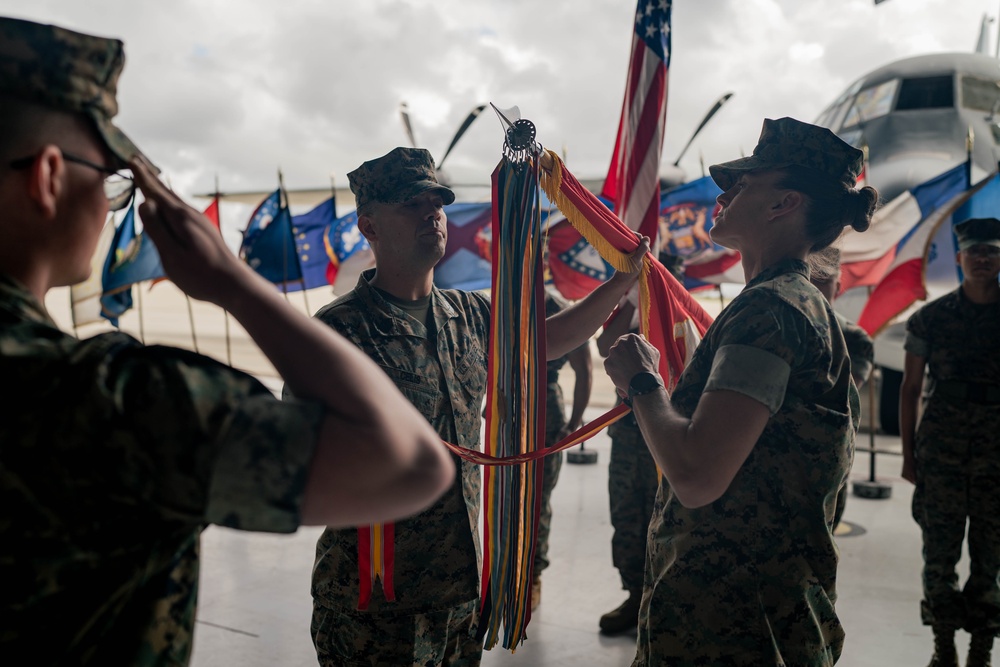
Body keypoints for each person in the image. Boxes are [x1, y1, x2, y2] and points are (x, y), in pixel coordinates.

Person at [0, 17, 455, 666]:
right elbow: (409, 463)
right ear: (48, 176)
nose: (108, 203)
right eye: (108, 177)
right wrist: (233, 283)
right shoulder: (105, 401)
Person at [305, 146, 647, 667]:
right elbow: (305, 458)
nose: (432, 214)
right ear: (369, 227)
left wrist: (621, 281)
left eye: (436, 203)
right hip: (373, 599)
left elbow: (548, 340)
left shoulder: (468, 313)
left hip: (460, 582)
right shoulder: (338, 332)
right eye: (411, 205)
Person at [603, 117, 878, 665]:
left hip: (732, 625)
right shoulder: (784, 303)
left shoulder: (771, 310)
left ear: (784, 204)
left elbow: (697, 475)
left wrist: (641, 381)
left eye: (745, 183)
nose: (724, 194)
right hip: (743, 613)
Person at [900, 217, 1000, 667]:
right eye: (974, 251)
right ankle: (944, 647)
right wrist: (908, 455)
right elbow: (910, 388)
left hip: (996, 455)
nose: (982, 259)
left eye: (991, 251)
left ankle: (982, 648)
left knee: (989, 558)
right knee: (939, 556)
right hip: (940, 451)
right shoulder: (930, 318)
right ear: (959, 258)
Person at [594, 288, 661, 635]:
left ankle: (660, 604)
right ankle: (636, 596)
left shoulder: (678, 314)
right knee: (626, 515)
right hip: (628, 433)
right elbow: (604, 345)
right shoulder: (631, 314)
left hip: (665, 435)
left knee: (662, 521)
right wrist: (635, 296)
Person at [532, 290, 593, 611]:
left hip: (544, 410)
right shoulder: (503, 299)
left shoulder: (556, 306)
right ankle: (504, 573)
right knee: (503, 496)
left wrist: (574, 423)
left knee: (537, 499)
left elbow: (584, 369)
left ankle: (532, 577)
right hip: (508, 410)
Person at [808, 246, 875, 529]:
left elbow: (843, 393)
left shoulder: (853, 337)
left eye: (826, 280)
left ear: (839, 284)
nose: (818, 286)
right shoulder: (780, 322)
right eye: (814, 277)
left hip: (828, 449)